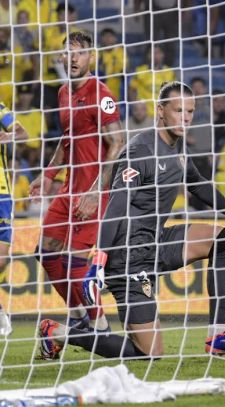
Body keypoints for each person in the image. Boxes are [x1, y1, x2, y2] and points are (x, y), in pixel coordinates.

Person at [38, 82, 225, 360]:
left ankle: (217, 333)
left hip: (156, 240)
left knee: (224, 239)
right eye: (178, 109)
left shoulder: (178, 149)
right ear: (160, 110)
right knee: (149, 354)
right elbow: (117, 206)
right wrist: (99, 260)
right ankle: (58, 332)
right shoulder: (140, 151)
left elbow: (197, 183)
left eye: (190, 111)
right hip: (128, 257)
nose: (185, 117)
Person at [29, 30, 125, 333]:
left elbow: (119, 142)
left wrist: (96, 192)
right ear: (60, 56)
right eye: (68, 51)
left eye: (80, 52)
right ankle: (79, 314)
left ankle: (100, 324)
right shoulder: (62, 94)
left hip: (95, 191)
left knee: (73, 263)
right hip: (69, 189)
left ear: (91, 57)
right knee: (45, 253)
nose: (73, 57)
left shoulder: (102, 94)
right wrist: (47, 175)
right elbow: (67, 140)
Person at [0, 101, 30, 334]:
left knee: (1, 258)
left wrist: (7, 137)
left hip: (1, 192)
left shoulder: (0, 109)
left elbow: (22, 132)